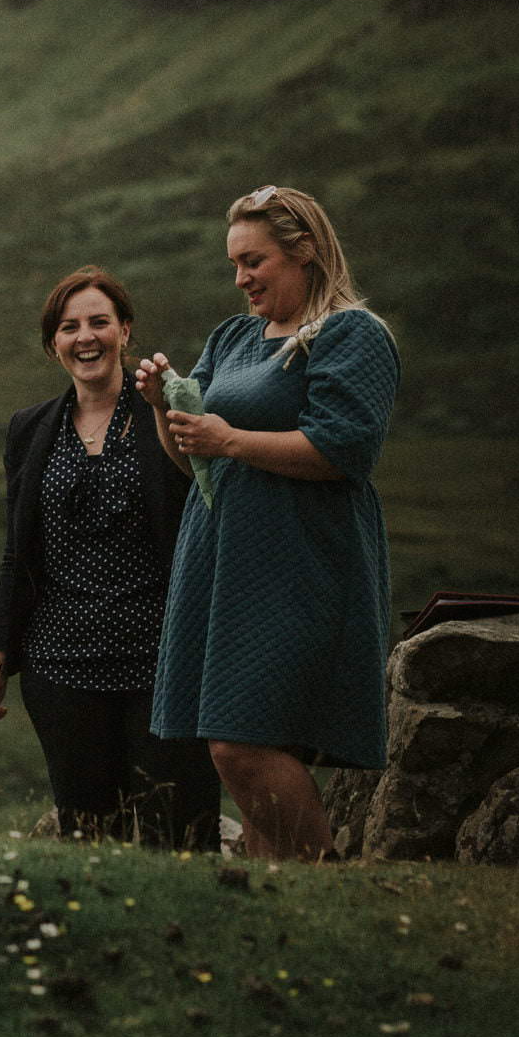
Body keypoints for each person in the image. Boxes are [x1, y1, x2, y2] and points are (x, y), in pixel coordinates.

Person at [135, 185, 399, 861]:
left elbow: (344, 449)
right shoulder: (233, 336)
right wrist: (169, 412)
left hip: (301, 559)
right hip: (226, 558)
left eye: (254, 261)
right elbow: (195, 455)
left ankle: (331, 896)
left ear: (304, 250)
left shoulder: (351, 334)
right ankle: (279, 903)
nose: (241, 278)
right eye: (234, 263)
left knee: (241, 740)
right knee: (243, 735)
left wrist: (231, 441)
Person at [0, 267, 222, 849]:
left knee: (180, 835)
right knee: (89, 841)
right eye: (69, 326)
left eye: (99, 322)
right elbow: (17, 556)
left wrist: (163, 408)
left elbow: (205, 508)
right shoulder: (30, 429)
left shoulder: (169, 410)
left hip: (163, 662)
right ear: (53, 344)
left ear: (125, 331)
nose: (86, 337)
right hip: (61, 668)